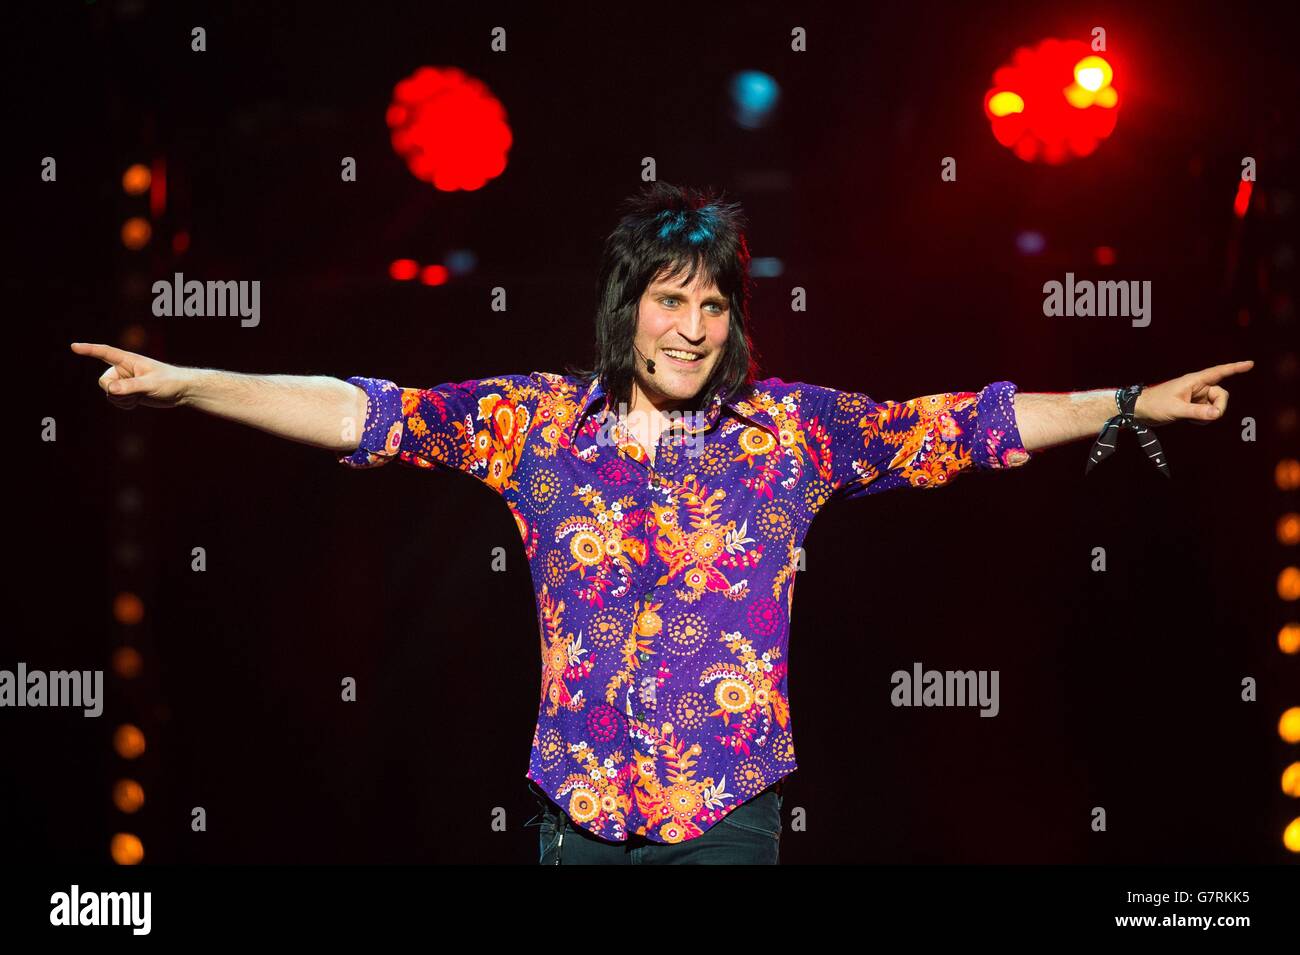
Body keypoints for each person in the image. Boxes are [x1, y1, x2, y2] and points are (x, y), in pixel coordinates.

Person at [71, 181, 1253, 864]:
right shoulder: (535, 425)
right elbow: (362, 412)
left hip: (728, 813)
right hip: (573, 812)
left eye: (712, 304)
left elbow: (963, 425)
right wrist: (188, 382)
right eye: (668, 300)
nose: (690, 327)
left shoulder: (790, 434)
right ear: (626, 311)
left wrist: (1127, 401)